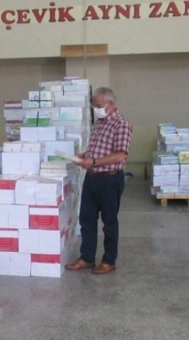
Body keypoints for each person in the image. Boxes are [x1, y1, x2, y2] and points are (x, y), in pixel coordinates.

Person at [65, 87, 133, 274]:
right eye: (94, 106)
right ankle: (87, 257)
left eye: (99, 105)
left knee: (109, 221)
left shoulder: (121, 124)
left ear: (111, 104)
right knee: (87, 219)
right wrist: (84, 156)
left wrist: (94, 161)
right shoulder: (98, 124)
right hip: (92, 177)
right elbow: (97, 149)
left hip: (109, 180)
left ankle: (109, 260)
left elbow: (120, 155)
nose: (96, 109)